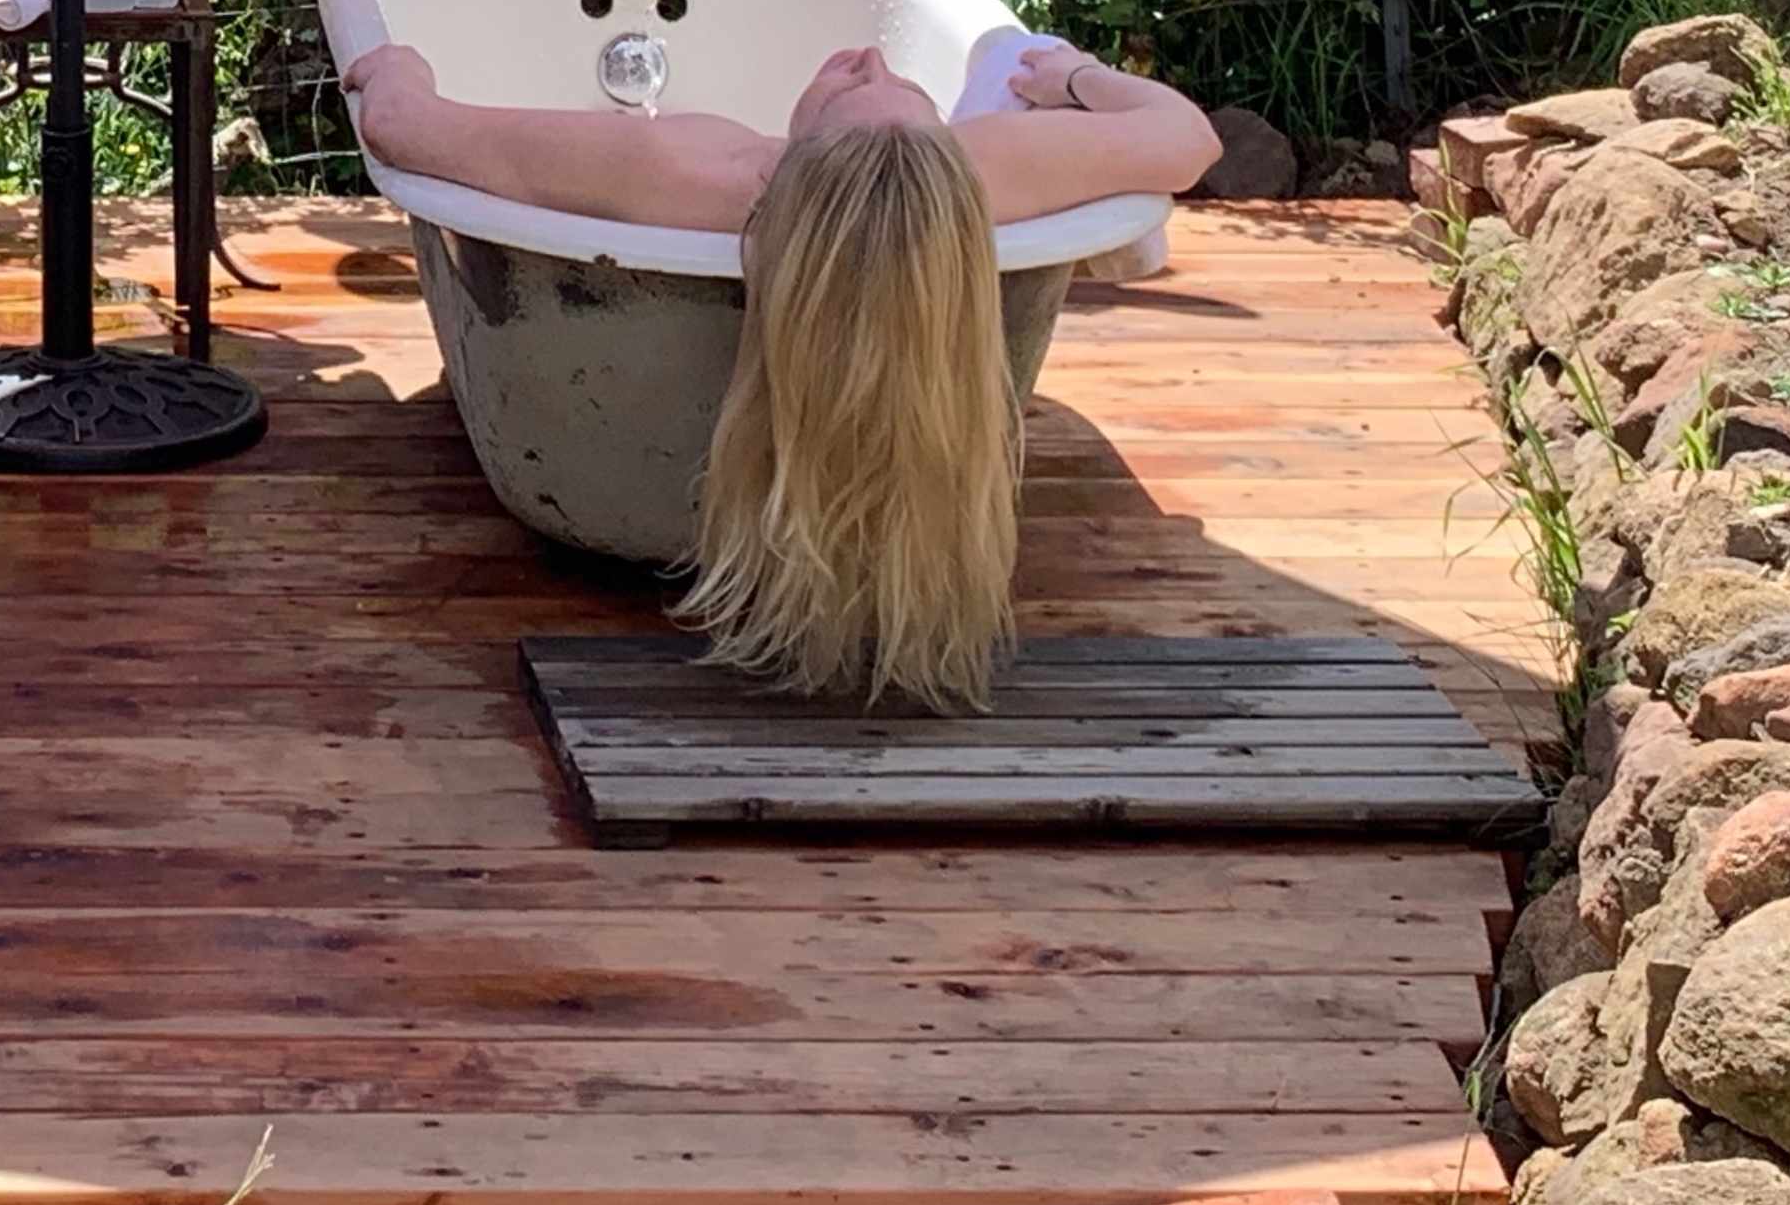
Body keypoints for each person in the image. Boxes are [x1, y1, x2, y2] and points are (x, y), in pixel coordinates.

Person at [342, 39, 1221, 712]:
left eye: (858, 81)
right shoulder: (986, 175)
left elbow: (404, 129)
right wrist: (1070, 77)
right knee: (1004, 61)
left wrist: (395, 58)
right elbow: (1187, 140)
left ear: (791, 155)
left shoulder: (699, 171)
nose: (870, 54)